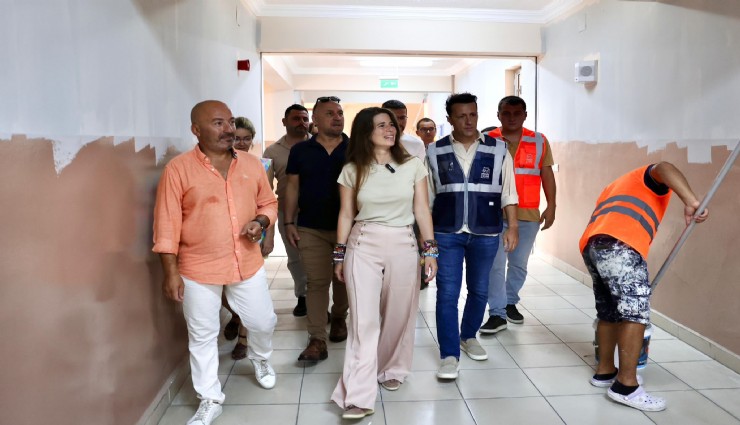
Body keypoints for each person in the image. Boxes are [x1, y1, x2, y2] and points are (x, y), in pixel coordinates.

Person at [153, 100, 279, 425]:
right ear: (196, 130)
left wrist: (261, 222)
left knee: (263, 321)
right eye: (218, 123)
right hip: (197, 267)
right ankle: (210, 398)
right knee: (203, 335)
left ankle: (260, 358)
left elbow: (268, 202)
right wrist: (170, 273)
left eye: (231, 122)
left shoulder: (252, 164)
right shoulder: (178, 169)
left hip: (246, 261)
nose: (228, 130)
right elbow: (166, 224)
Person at [330, 107, 438, 420]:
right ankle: (357, 394)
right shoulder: (353, 169)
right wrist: (340, 254)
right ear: (365, 132)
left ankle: (392, 367)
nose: (390, 130)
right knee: (363, 321)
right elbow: (346, 214)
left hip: (404, 242)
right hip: (363, 243)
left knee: (398, 314)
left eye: (392, 125)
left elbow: (422, 210)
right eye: (381, 125)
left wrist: (430, 251)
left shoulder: (413, 165)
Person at [580, 162, 708, 412]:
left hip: (594, 245)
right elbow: (665, 167)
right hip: (621, 245)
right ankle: (626, 386)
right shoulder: (647, 176)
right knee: (635, 314)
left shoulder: (616, 186)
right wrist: (691, 201)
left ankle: (605, 371)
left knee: (608, 313)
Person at [426, 93, 519, 380]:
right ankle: (449, 354)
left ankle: (468, 336)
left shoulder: (499, 149)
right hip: (446, 232)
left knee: (479, 290)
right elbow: (427, 199)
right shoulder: (434, 151)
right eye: (461, 116)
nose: (469, 121)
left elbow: (508, 192)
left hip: (486, 231)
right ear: (450, 119)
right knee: (447, 293)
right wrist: (425, 242)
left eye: (473, 115)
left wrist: (513, 227)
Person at [481, 96, 557, 333]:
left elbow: (546, 174)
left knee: (519, 264)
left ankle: (510, 301)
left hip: (527, 214)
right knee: (495, 265)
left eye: (517, 113)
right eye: (506, 113)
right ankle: (497, 312)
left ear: (525, 115)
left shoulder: (539, 140)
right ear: (498, 115)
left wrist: (552, 205)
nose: (511, 118)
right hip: (494, 214)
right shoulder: (487, 139)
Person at [284, 96, 349, 362]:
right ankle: (316, 339)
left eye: (340, 113)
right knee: (317, 282)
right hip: (311, 227)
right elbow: (292, 187)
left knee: (343, 279)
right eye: (330, 113)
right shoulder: (301, 150)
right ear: (316, 119)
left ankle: (339, 317)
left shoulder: (356, 148)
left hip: (349, 229)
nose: (337, 117)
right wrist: (289, 222)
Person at [221, 116, 274, 361]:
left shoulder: (262, 164)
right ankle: (235, 314)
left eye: (247, 139)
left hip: (252, 233)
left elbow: (269, 202)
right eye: (237, 138)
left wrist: (268, 236)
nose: (241, 143)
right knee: (224, 289)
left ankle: (243, 338)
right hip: (222, 238)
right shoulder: (217, 165)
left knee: (249, 288)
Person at [263, 105, 310, 317]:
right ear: (284, 122)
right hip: (287, 213)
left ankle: (318, 297)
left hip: (317, 211)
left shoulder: (318, 144)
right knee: (296, 257)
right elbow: (265, 188)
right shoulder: (271, 151)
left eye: (305, 118)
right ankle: (303, 296)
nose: (302, 123)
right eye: (296, 118)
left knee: (320, 257)